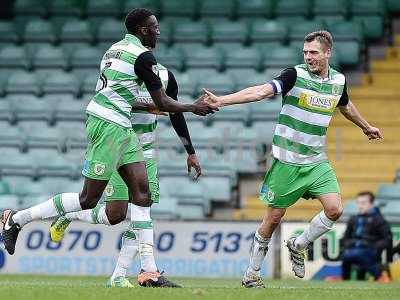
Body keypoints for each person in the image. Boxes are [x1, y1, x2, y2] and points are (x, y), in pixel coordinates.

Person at [1, 8, 215, 256]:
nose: (159, 31)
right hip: (108, 123)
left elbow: (115, 92)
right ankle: (17, 218)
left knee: (142, 196)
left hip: (120, 125)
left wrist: (188, 147)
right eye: (155, 27)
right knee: (88, 200)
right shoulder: (144, 58)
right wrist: (194, 106)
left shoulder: (113, 51)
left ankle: (149, 272)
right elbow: (165, 104)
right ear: (143, 30)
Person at [203, 30, 383, 288]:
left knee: (335, 209)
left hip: (316, 161)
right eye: (305, 52)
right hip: (287, 161)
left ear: (327, 52)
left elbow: (345, 105)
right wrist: (222, 100)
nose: (308, 57)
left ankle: (298, 244)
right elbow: (260, 92)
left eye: (314, 52)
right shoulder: (294, 75)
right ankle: (251, 274)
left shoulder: (339, 81)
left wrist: (366, 126)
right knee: (273, 219)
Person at [50, 65, 198, 288]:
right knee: (115, 215)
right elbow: (106, 104)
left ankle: (120, 276)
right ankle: (70, 215)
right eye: (152, 28)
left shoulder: (167, 77)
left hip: (145, 153)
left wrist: (190, 152)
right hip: (118, 148)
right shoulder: (121, 71)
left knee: (141, 212)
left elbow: (175, 113)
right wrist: (151, 107)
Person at [341, 191, 392, 280]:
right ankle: (345, 279)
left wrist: (374, 246)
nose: (360, 206)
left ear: (372, 204)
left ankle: (379, 276)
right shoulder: (353, 219)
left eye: (363, 203)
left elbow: (387, 239)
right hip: (354, 249)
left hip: (370, 251)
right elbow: (346, 237)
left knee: (358, 255)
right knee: (346, 255)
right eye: (358, 203)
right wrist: (348, 244)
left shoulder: (379, 220)